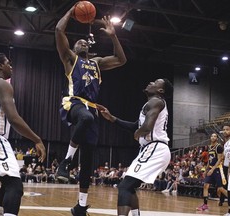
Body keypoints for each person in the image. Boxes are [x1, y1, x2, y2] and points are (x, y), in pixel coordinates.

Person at [55, 3, 127, 215]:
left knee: (88, 159)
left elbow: (122, 60)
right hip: (74, 102)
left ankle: (80, 206)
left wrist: (113, 36)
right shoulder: (70, 59)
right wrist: (71, 10)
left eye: (85, 41)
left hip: (92, 108)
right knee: (85, 118)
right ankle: (65, 162)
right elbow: (59, 30)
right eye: (79, 41)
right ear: (74, 48)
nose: (83, 42)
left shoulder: (97, 63)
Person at [0, 52, 46, 216]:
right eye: (8, 63)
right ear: (0, 66)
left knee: (7, 183)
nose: (11, 66)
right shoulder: (2, 84)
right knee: (15, 185)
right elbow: (13, 118)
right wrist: (37, 139)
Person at [97, 78, 173, 216]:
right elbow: (135, 126)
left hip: (155, 148)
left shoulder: (156, 101)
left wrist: (138, 134)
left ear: (160, 90)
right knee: (129, 187)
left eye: (155, 82)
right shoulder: (152, 103)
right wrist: (112, 118)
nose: (151, 82)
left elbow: (146, 128)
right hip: (152, 149)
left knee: (124, 186)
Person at [196, 133, 227, 211]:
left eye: (215, 136)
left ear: (217, 138)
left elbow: (220, 159)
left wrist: (212, 169)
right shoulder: (209, 147)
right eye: (212, 136)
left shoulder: (219, 147)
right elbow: (210, 160)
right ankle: (205, 205)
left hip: (217, 169)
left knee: (220, 189)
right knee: (205, 186)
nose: (213, 137)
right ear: (210, 137)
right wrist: (206, 170)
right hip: (210, 169)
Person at [222, 124, 230, 216]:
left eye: (227, 129)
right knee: (228, 190)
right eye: (224, 130)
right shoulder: (226, 144)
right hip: (226, 167)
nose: (225, 131)